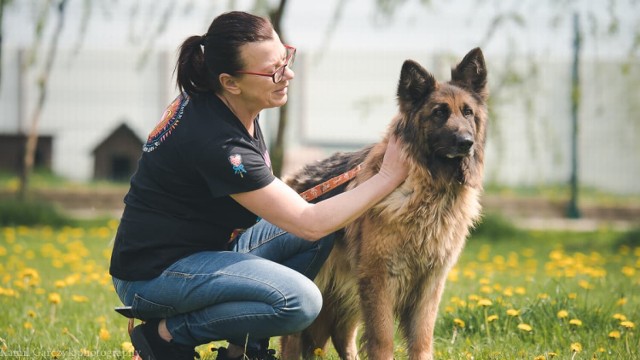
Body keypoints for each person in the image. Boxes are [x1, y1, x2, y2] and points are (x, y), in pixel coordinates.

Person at [109, 10, 408, 360]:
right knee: (300, 301)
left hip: (207, 251)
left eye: (286, 59)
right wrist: (388, 177)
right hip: (155, 276)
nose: (288, 74)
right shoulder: (219, 144)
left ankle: (244, 346)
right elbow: (309, 222)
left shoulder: (226, 102)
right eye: (274, 71)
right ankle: (165, 337)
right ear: (230, 81)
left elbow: (306, 218)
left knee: (327, 222)